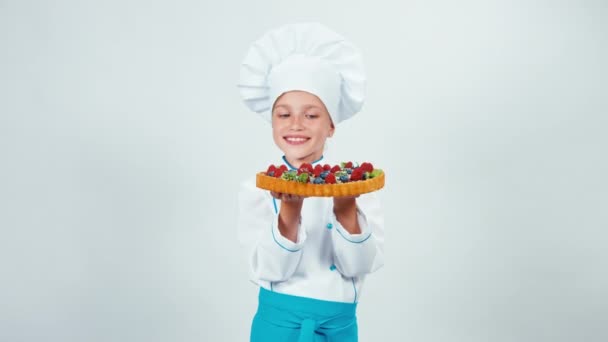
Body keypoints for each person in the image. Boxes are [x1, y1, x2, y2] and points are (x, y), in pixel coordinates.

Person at [236, 22, 385, 342]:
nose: (296, 125)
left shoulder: (357, 187)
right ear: (272, 121)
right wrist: (289, 214)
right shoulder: (257, 188)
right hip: (279, 328)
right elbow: (269, 271)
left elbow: (361, 265)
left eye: (311, 115)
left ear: (331, 125)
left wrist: (346, 210)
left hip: (338, 328)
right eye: (284, 114)